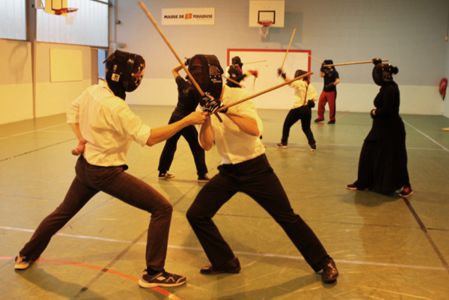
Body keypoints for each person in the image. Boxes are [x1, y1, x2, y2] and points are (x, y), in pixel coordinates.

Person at [14, 50, 207, 288]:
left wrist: (81, 138)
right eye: (138, 73)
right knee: (162, 207)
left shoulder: (93, 91)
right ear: (125, 75)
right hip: (106, 173)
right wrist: (188, 120)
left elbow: (71, 111)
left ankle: (25, 254)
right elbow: (148, 138)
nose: (140, 77)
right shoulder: (116, 107)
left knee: (62, 212)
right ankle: (154, 272)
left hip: (85, 168)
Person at [186, 57, 339, 284]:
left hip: (255, 168)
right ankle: (225, 262)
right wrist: (208, 116)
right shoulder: (204, 103)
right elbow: (206, 144)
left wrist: (225, 110)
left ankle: (324, 261)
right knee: (196, 214)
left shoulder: (238, 96)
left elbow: (254, 129)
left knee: (286, 217)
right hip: (228, 172)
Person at [347, 58, 412, 197]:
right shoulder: (386, 87)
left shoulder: (391, 89)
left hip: (392, 129)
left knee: (397, 157)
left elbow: (387, 110)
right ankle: (364, 182)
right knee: (369, 152)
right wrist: (377, 63)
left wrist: (374, 112)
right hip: (380, 128)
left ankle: (406, 185)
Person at [157, 62, 209, 182]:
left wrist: (184, 64)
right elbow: (205, 105)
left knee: (170, 144)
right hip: (186, 120)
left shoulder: (182, 84)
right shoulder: (197, 91)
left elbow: (174, 70)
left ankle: (162, 172)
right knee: (197, 146)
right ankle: (202, 174)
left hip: (175, 117)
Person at [276, 68, 318, 150]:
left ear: (300, 76)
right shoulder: (311, 86)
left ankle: (284, 143)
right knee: (306, 128)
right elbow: (314, 99)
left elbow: (290, 82)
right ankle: (313, 144)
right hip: (307, 109)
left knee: (287, 125)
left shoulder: (300, 82)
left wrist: (283, 74)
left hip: (298, 108)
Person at [315, 59, 340, 124]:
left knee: (331, 106)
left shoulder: (335, 72)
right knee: (320, 103)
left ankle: (332, 119)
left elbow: (338, 81)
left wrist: (331, 84)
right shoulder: (325, 71)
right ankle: (320, 117)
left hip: (331, 91)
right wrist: (321, 68)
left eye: (325, 63)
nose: (325, 64)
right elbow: (321, 75)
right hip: (324, 90)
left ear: (330, 64)